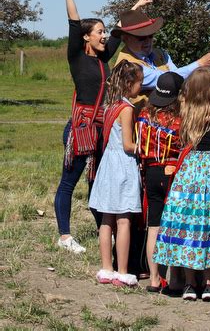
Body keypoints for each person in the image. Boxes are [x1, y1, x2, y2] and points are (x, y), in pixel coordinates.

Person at [54, 0, 149, 253]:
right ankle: (64, 237)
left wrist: (136, 7)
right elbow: (73, 21)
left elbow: (120, 30)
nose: (105, 35)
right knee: (70, 181)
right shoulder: (76, 57)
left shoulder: (103, 58)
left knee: (97, 178)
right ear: (86, 37)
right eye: (99, 31)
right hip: (81, 127)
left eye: (104, 31)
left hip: (100, 127)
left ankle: (102, 229)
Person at [152, 68, 210, 302]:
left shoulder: (185, 112)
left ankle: (190, 283)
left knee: (188, 222)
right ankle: (209, 282)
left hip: (189, 170)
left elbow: (179, 97)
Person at [89, 60, 143, 287]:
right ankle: (122, 271)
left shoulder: (109, 106)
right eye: (140, 82)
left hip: (107, 166)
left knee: (106, 219)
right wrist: (144, 146)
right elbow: (128, 145)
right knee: (123, 221)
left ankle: (106, 269)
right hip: (123, 166)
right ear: (130, 84)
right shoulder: (127, 109)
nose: (141, 86)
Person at [111, 8, 210, 109]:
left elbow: (177, 77)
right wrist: (200, 63)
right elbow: (167, 80)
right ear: (125, 39)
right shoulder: (127, 65)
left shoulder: (160, 53)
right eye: (141, 38)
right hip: (141, 125)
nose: (148, 41)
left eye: (151, 36)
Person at [137, 71, 184, 295]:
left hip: (150, 173)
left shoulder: (145, 114)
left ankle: (154, 279)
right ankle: (173, 280)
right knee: (173, 225)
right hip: (171, 172)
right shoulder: (179, 119)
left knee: (153, 225)